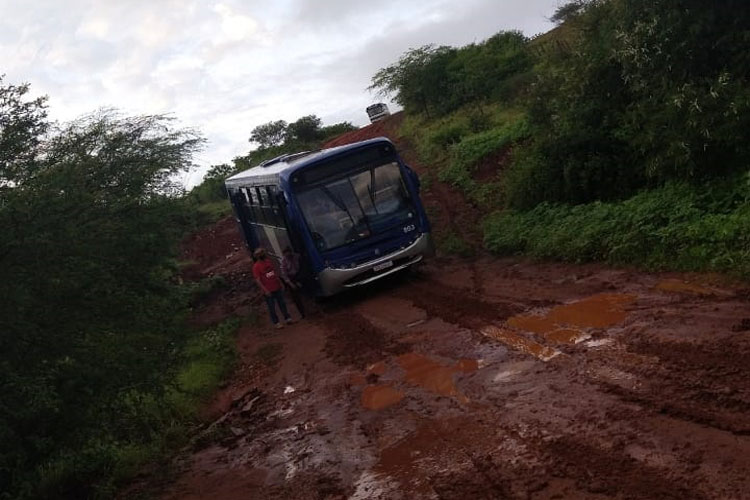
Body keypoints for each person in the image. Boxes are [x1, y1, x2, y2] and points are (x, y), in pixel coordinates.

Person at [252, 247, 293, 329]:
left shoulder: (268, 262)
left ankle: (287, 318)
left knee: (282, 303)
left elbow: (274, 273)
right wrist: (265, 290)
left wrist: (280, 282)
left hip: (276, 286)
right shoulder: (256, 267)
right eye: (263, 254)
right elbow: (258, 280)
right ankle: (276, 322)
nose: (265, 255)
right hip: (268, 289)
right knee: (272, 307)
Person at [280, 246, 305, 318]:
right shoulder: (283, 262)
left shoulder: (297, 256)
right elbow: (284, 275)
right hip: (291, 278)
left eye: (289, 253)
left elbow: (302, 267)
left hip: (299, 274)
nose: (288, 256)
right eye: (286, 255)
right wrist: (291, 284)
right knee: (296, 297)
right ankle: (302, 313)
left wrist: (300, 280)